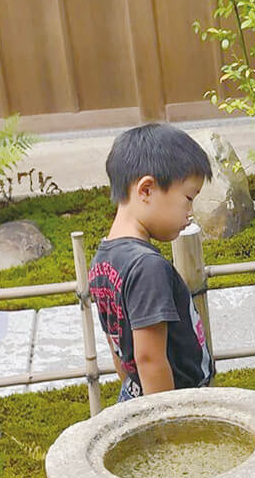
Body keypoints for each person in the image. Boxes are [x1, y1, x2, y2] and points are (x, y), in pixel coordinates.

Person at [88, 123, 215, 403]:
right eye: (188, 199)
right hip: (172, 403)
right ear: (146, 189)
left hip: (135, 392)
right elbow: (149, 360)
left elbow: (118, 348)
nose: (190, 213)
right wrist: (167, 425)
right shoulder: (147, 267)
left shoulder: (102, 260)